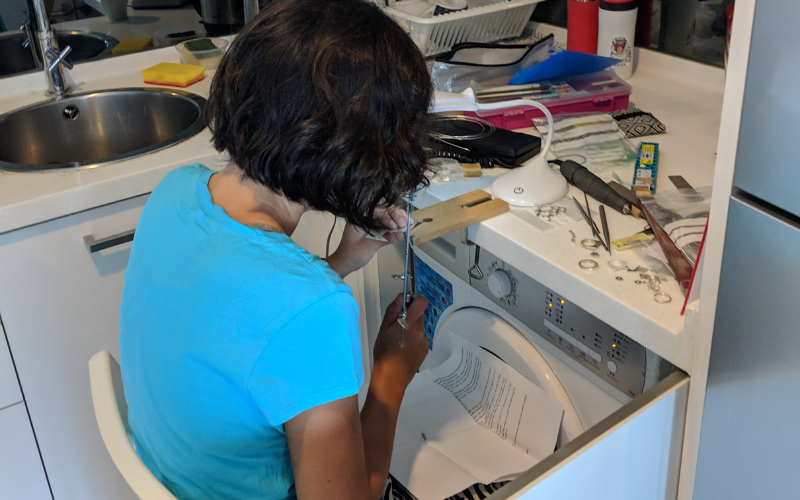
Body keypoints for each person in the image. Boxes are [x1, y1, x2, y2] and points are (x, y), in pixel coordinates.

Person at [118, 1, 433, 499]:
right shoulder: (313, 310)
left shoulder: (175, 192)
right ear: (354, 153)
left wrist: (341, 263)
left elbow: (248, 321)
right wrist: (390, 377)